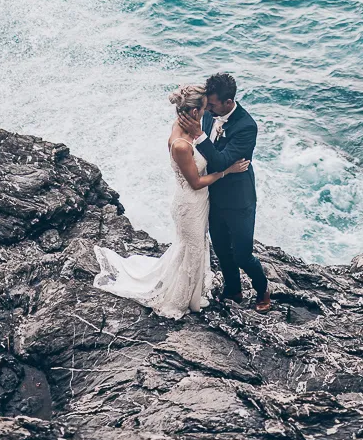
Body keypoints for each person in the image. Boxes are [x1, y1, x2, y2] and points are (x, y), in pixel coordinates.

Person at [92, 84, 250, 319]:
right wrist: (227, 171)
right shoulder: (180, 144)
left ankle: (191, 290)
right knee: (193, 249)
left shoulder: (183, 126)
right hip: (190, 204)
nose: (209, 112)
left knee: (192, 248)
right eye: (205, 108)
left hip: (197, 201)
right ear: (195, 112)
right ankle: (181, 298)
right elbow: (196, 182)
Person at [178, 73, 270, 312]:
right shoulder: (209, 111)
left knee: (243, 255)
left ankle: (263, 290)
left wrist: (199, 136)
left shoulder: (246, 126)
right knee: (220, 248)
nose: (208, 109)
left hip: (239, 201)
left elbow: (221, 162)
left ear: (228, 102)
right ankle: (233, 290)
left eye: (213, 104)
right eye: (207, 104)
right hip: (212, 196)